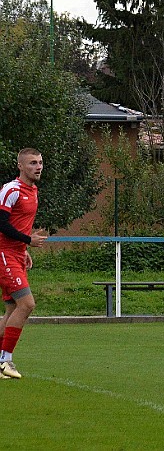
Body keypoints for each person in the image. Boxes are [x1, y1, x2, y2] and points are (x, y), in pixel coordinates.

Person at [0, 148, 47, 379]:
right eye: (32, 163)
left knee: (11, 311)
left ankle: (1, 361)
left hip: (16, 254)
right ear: (20, 166)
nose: (37, 167)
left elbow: (19, 224)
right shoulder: (11, 189)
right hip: (4, 254)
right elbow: (2, 224)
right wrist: (28, 240)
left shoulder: (33, 190)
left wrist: (24, 249)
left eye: (39, 162)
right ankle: (5, 360)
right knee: (27, 304)